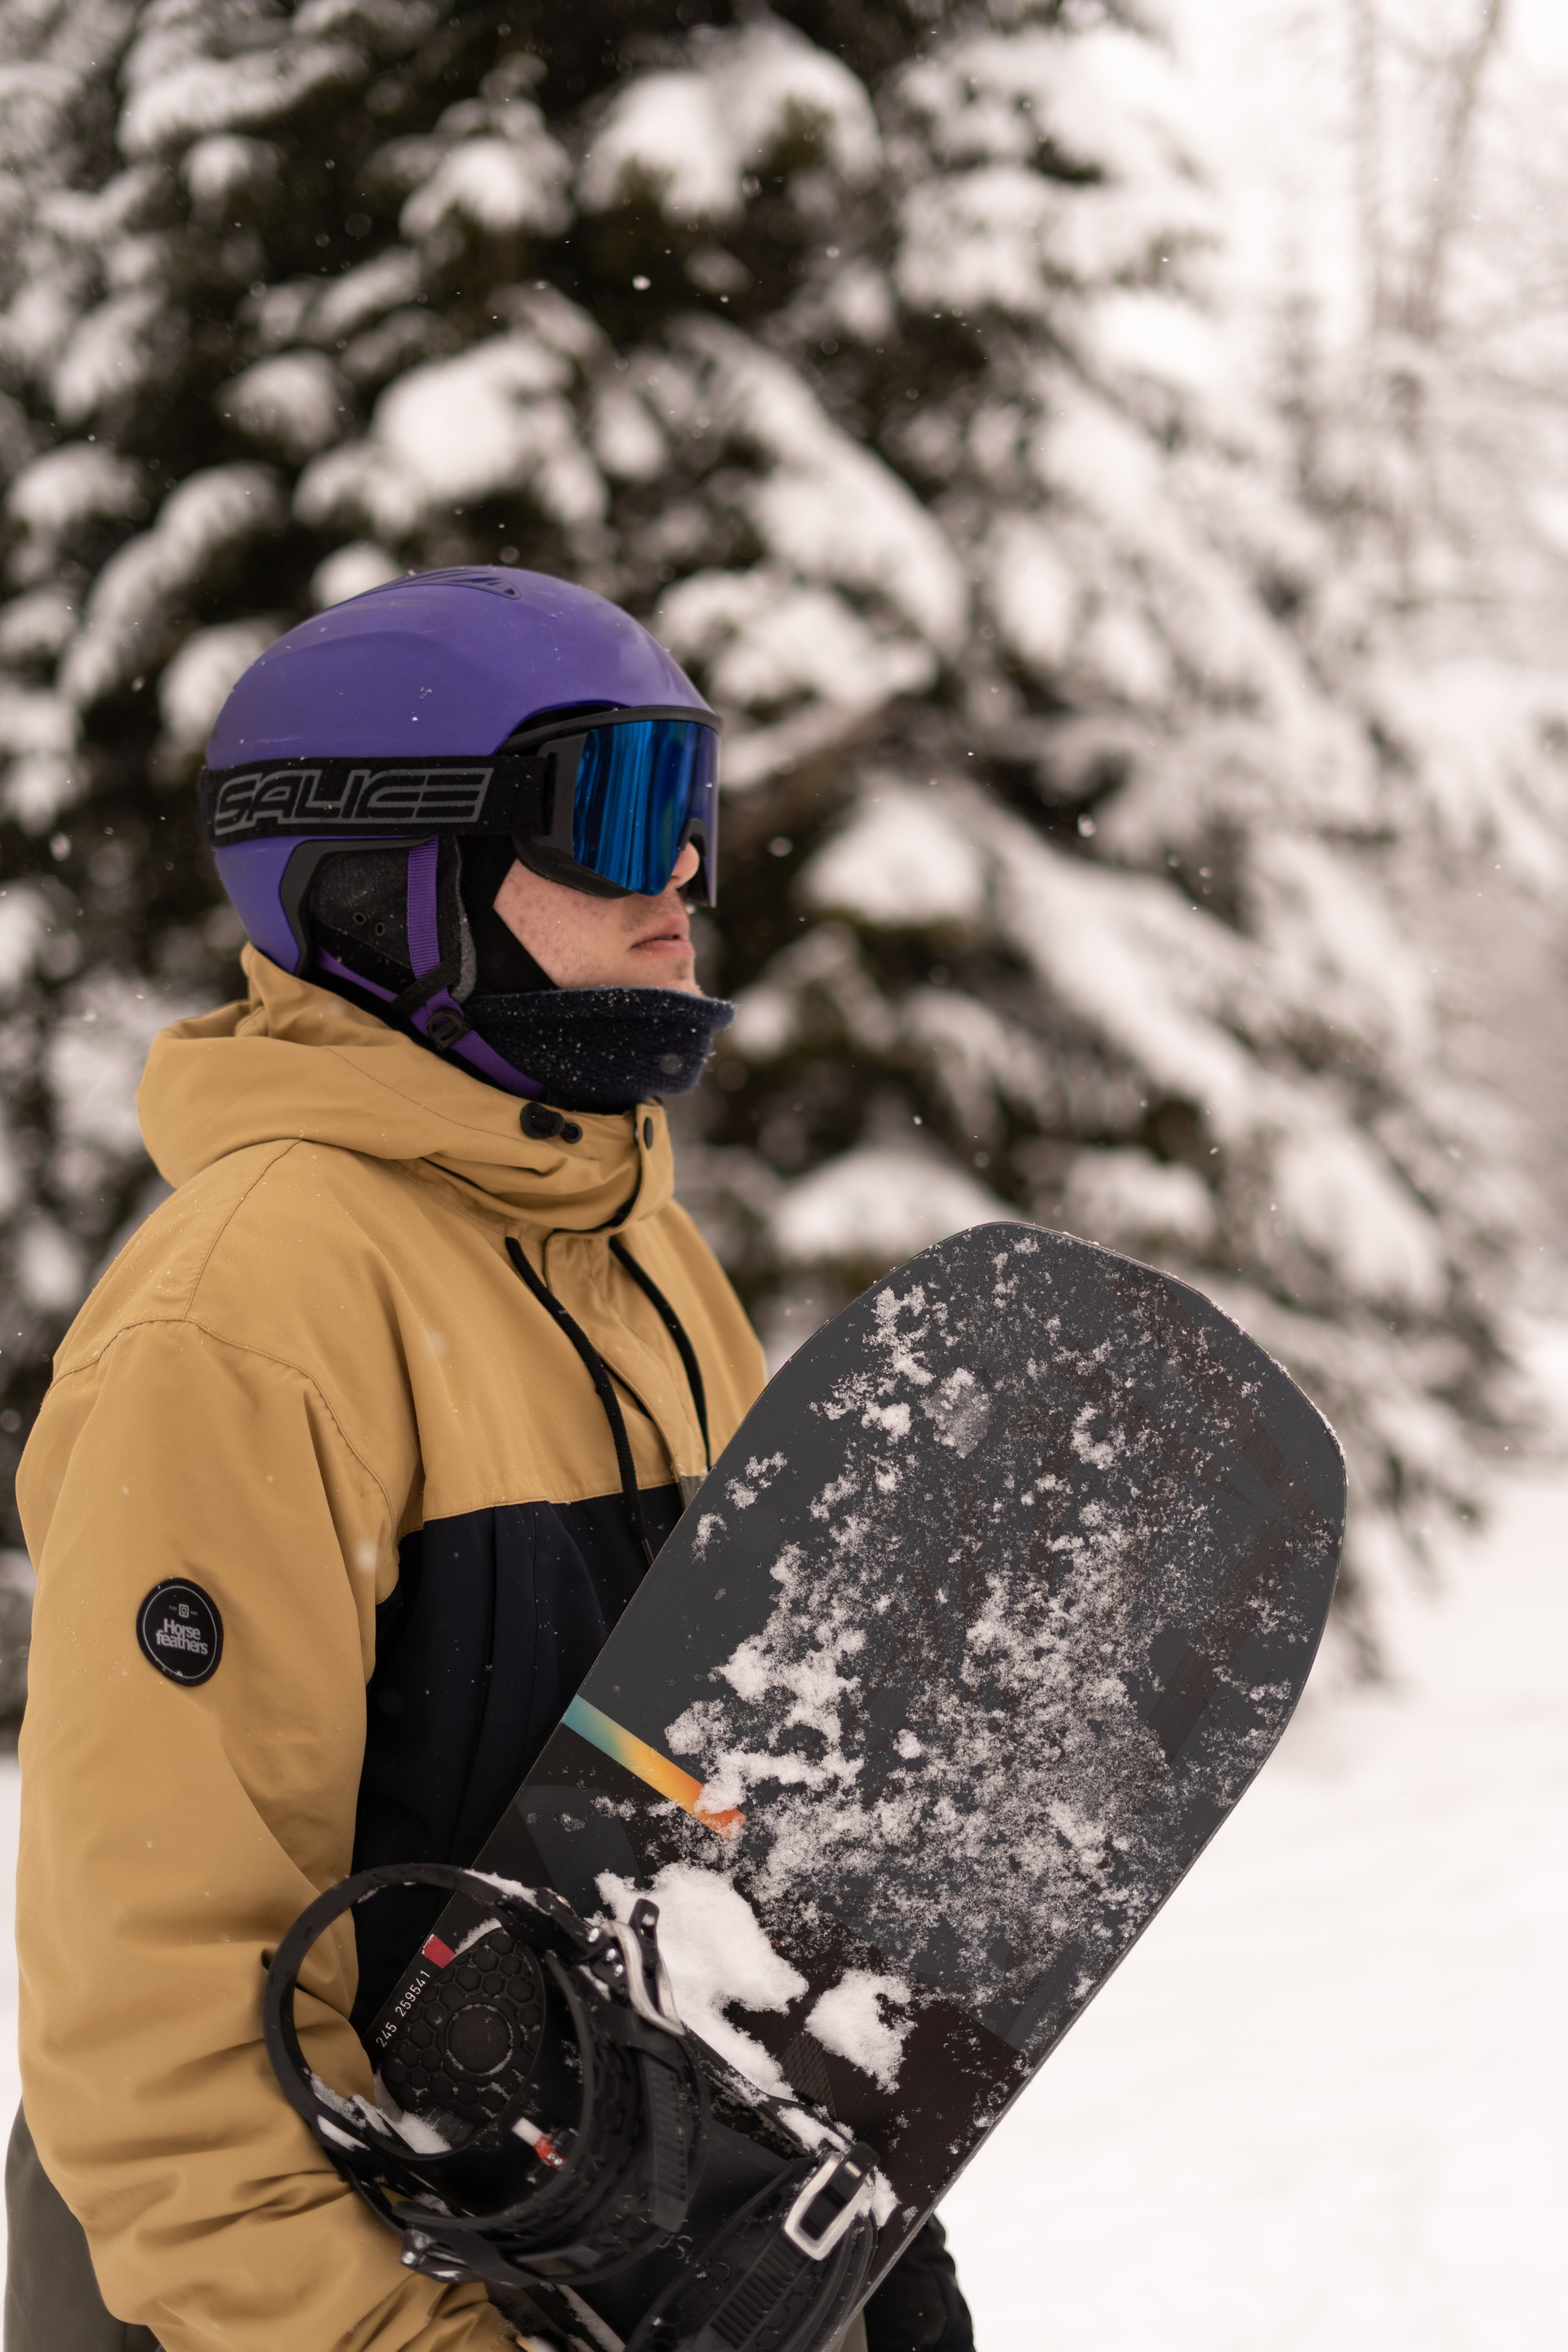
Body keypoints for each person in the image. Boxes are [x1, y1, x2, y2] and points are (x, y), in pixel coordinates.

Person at [5, 569, 972, 2352]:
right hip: (289, 2311)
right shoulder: (244, 1316)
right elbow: (160, 2024)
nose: (681, 871)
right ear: (385, 878)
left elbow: (715, 1865)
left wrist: (872, 2277)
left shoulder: (640, 1254)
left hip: (594, 2254)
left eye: (688, 804)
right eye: (611, 809)